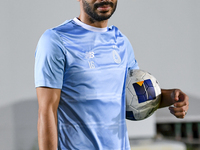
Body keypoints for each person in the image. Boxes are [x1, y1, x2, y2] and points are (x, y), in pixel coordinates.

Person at [34, 0, 189, 150]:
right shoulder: (56, 40)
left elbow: (134, 97)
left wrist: (171, 97)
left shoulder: (120, 41)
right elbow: (47, 110)